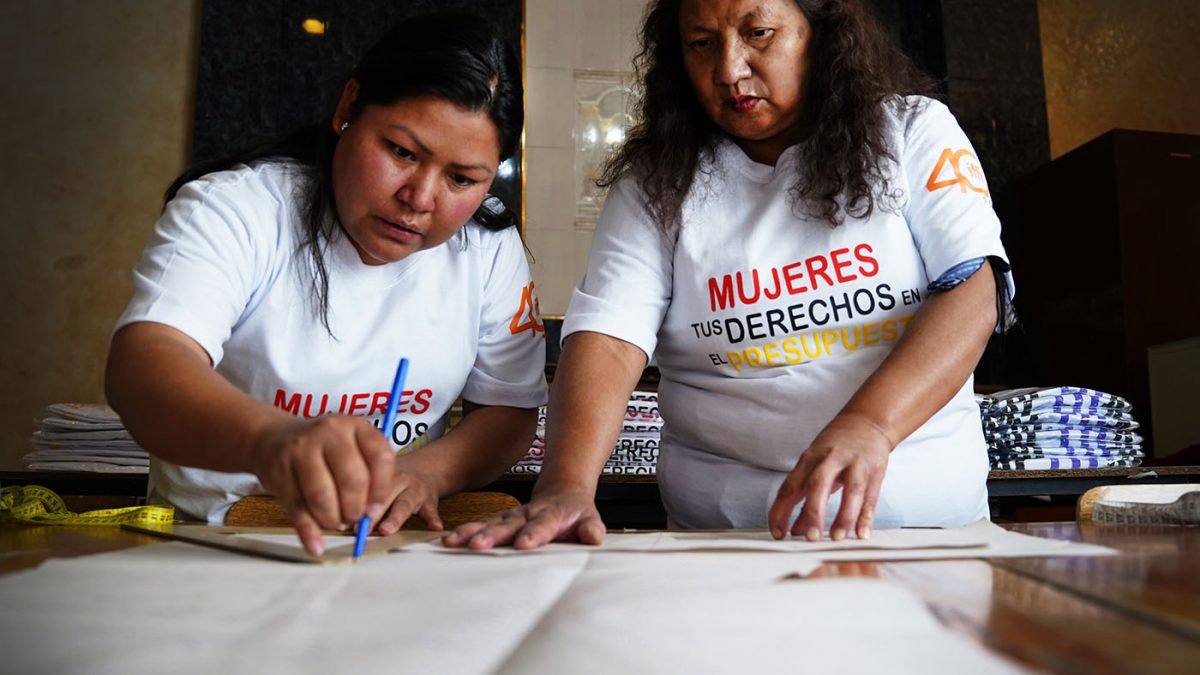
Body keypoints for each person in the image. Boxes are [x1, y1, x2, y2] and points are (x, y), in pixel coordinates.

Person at [445, 0, 1013, 550]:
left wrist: (871, 426)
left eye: (759, 33)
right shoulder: (657, 181)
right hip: (724, 538)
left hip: (926, 531)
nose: (729, 69)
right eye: (702, 43)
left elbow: (972, 290)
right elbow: (611, 338)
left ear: (821, 33)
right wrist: (565, 486)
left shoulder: (912, 130)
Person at [105, 13, 546, 556]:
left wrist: (428, 474)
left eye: (462, 178)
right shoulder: (237, 210)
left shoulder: (486, 246)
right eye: (402, 153)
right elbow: (145, 366)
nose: (421, 197)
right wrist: (269, 439)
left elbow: (508, 409)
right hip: (214, 543)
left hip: (388, 549)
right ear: (348, 107)